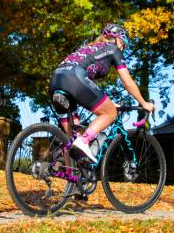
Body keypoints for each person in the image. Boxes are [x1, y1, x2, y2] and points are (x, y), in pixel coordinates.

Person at [49, 23, 155, 163]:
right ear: (116, 39)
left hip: (55, 80)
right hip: (75, 78)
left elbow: (91, 86)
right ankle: (85, 142)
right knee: (110, 113)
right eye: (123, 44)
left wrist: (109, 103)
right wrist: (144, 103)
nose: (123, 48)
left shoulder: (88, 48)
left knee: (73, 138)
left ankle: (71, 178)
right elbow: (128, 82)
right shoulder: (112, 49)